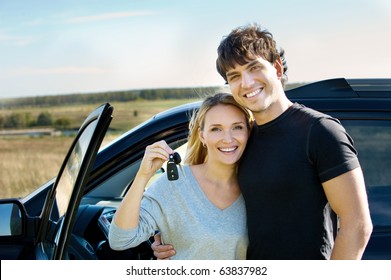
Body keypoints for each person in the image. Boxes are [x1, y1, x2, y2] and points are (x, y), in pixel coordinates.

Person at [152, 23, 373, 260]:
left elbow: (357, 225)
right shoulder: (239, 140)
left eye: (254, 68)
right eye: (234, 76)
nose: (246, 83)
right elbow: (212, 198)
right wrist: (167, 234)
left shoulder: (319, 131)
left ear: (277, 68)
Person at [108, 93, 252, 259]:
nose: (228, 138)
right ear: (202, 135)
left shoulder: (260, 187)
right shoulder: (174, 184)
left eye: (237, 127)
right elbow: (120, 240)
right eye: (216, 129)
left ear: (248, 131)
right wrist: (142, 176)